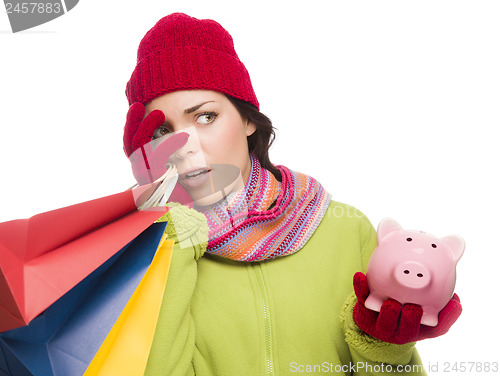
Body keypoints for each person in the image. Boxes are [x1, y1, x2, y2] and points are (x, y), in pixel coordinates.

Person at [122, 12, 461, 376]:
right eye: (162, 132)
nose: (185, 146)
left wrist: (385, 351)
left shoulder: (346, 231)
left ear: (248, 119)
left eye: (205, 117)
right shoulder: (148, 252)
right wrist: (169, 240)